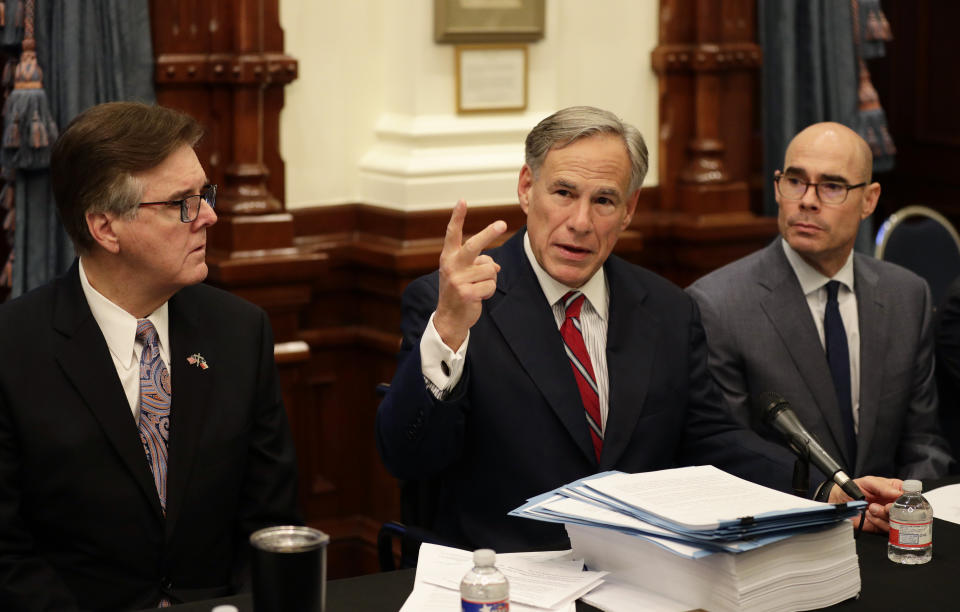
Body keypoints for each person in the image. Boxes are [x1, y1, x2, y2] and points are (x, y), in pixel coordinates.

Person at [376, 107, 900, 553]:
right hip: (508, 577)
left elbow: (710, 438)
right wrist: (447, 330)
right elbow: (407, 457)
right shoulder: (455, 302)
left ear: (628, 211)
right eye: (563, 192)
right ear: (526, 189)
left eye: (603, 200)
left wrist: (824, 490)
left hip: (644, 575)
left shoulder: (668, 308)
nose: (580, 221)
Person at [0, 102, 300, 610]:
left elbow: (271, 526)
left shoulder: (239, 332)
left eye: (204, 194)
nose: (209, 215)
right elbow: (8, 555)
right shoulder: (13, 348)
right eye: (182, 203)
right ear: (106, 228)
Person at [688, 122, 952, 483]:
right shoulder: (719, 305)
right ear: (778, 188)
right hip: (789, 528)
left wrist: (905, 504)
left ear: (869, 200)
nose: (808, 200)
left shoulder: (907, 295)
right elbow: (730, 453)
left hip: (894, 526)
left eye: (831, 186)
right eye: (795, 181)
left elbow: (924, 442)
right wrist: (834, 500)